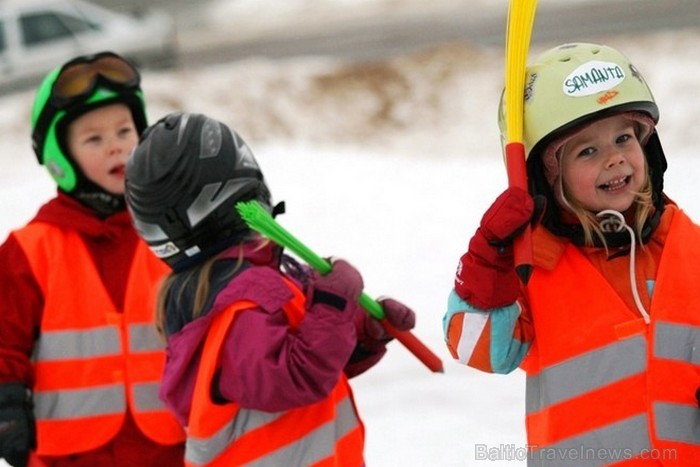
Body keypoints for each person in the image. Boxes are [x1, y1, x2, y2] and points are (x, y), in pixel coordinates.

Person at [443, 42, 700, 465]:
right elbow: (481, 350)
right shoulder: (532, 266)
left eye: (623, 137)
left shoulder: (683, 245)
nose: (615, 158)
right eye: (588, 151)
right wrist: (489, 262)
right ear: (546, 175)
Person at [124, 111, 417, 467]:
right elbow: (295, 375)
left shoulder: (256, 278)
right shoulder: (235, 306)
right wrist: (330, 304)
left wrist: (359, 330)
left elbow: (313, 358)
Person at [0, 52, 185, 467]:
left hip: (169, 451)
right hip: (70, 455)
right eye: (94, 139)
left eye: (124, 130)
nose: (116, 145)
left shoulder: (174, 234)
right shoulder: (30, 250)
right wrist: (6, 404)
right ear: (59, 157)